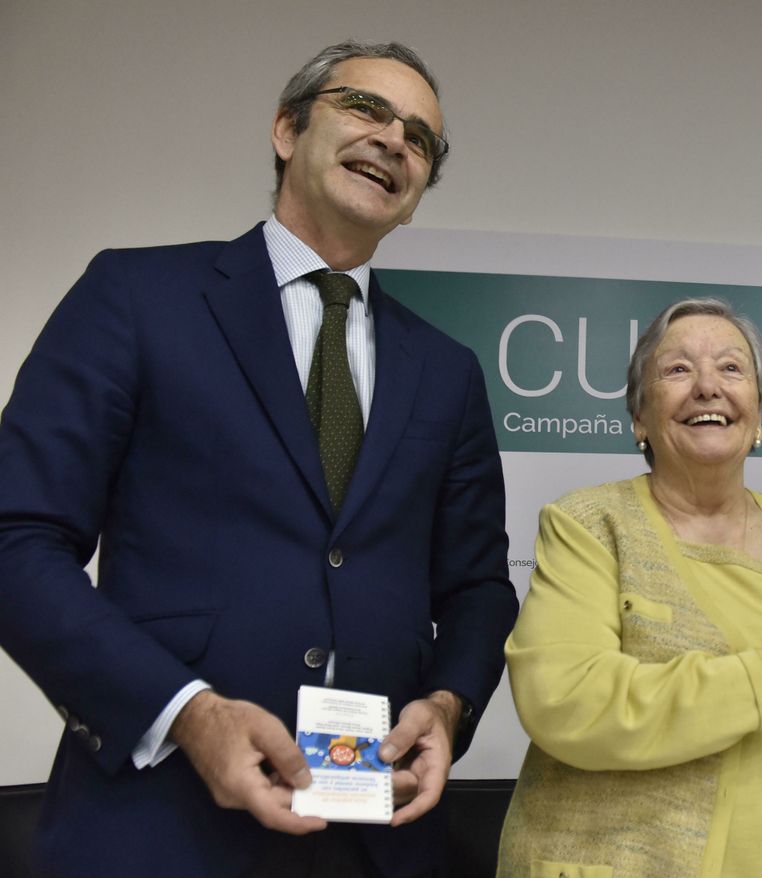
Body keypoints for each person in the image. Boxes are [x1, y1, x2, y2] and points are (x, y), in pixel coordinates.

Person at [0, 41, 518, 878]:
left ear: (417, 196)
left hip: (375, 836)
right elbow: (16, 538)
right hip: (157, 827)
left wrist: (449, 702)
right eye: (366, 109)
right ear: (286, 128)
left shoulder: (447, 370)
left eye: (420, 139)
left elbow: (477, 588)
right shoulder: (136, 298)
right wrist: (187, 714)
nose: (394, 140)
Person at [497, 299, 762, 878]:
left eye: (731, 368)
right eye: (677, 370)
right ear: (639, 418)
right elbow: (564, 699)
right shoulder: (589, 524)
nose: (707, 388)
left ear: (760, 413)